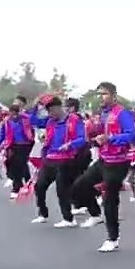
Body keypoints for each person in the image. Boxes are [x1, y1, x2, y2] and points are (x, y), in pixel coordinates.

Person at [71, 81, 135, 252]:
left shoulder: (122, 113)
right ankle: (95, 213)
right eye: (99, 94)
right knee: (79, 186)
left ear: (114, 95)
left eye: (104, 94)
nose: (101, 97)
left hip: (119, 161)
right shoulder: (102, 114)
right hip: (104, 158)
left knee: (110, 199)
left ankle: (112, 238)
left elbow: (130, 135)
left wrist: (110, 139)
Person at [27, 95, 87, 227]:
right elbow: (32, 120)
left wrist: (70, 144)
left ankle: (69, 219)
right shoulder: (50, 122)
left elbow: (82, 138)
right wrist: (35, 106)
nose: (49, 114)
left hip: (66, 160)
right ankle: (43, 214)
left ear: (58, 108)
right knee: (39, 186)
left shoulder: (74, 119)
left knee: (62, 190)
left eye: (51, 111)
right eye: (47, 112)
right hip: (49, 159)